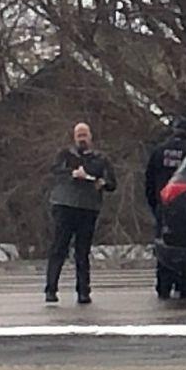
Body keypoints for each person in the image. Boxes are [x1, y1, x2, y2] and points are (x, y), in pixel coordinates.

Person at [45, 122, 117, 306]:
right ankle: (51, 289)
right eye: (79, 135)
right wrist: (72, 173)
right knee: (59, 248)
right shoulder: (65, 155)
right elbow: (54, 171)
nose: (82, 139)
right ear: (74, 137)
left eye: (85, 135)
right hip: (65, 206)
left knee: (82, 252)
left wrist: (102, 183)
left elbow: (112, 183)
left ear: (90, 137)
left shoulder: (100, 159)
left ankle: (83, 291)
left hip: (88, 207)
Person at [145, 117, 186, 299]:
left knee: (164, 244)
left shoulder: (159, 151)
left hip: (164, 204)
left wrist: (155, 205)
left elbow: (149, 181)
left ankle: (163, 286)